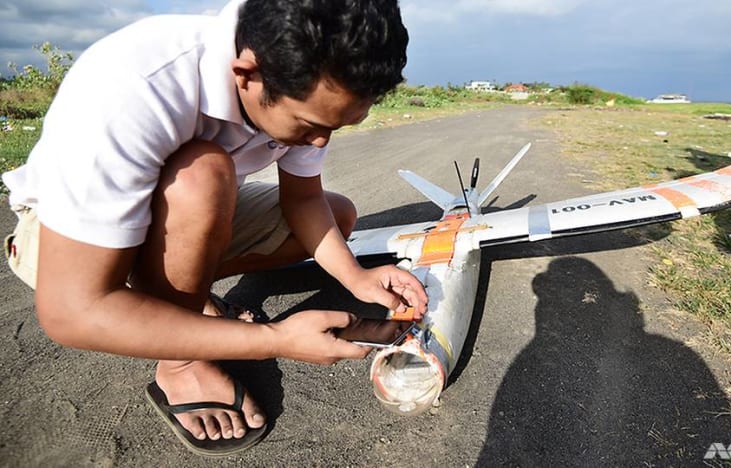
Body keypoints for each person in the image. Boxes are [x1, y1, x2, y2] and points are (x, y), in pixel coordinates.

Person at [1, 0, 427, 457]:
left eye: (338, 125)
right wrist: (273, 340)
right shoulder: (135, 85)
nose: (320, 141)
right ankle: (181, 363)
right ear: (247, 74)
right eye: (310, 126)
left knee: (335, 214)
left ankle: (181, 295)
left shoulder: (304, 76)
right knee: (203, 174)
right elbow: (72, 312)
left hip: (174, 214)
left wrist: (355, 277)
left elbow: (303, 199)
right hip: (63, 242)